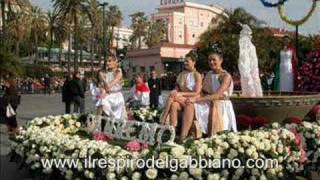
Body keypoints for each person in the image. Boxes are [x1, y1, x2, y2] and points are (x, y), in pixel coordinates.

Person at [181, 45, 237, 141]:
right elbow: (204, 92)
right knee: (189, 104)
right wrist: (190, 98)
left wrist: (196, 99)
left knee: (192, 103)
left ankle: (188, 136)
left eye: (214, 60)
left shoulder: (225, 76)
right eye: (209, 60)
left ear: (221, 60)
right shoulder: (209, 74)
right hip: (208, 102)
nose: (211, 62)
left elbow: (217, 95)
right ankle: (183, 136)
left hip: (221, 105)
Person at [160, 51, 202, 129]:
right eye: (184, 61)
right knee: (174, 105)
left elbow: (197, 92)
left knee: (172, 97)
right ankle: (173, 128)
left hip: (193, 99)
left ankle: (163, 118)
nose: (185, 63)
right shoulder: (181, 74)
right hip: (181, 99)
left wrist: (180, 94)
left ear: (194, 62)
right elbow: (177, 87)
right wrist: (175, 91)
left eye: (187, 61)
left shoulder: (197, 75)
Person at [91, 54, 127, 121]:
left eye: (109, 61)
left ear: (115, 62)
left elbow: (108, 87)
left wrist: (103, 79)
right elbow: (101, 86)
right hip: (107, 96)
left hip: (116, 97)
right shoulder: (103, 72)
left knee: (118, 120)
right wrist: (102, 89)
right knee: (102, 103)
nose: (107, 63)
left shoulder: (118, 72)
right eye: (106, 61)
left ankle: (99, 124)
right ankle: (96, 124)